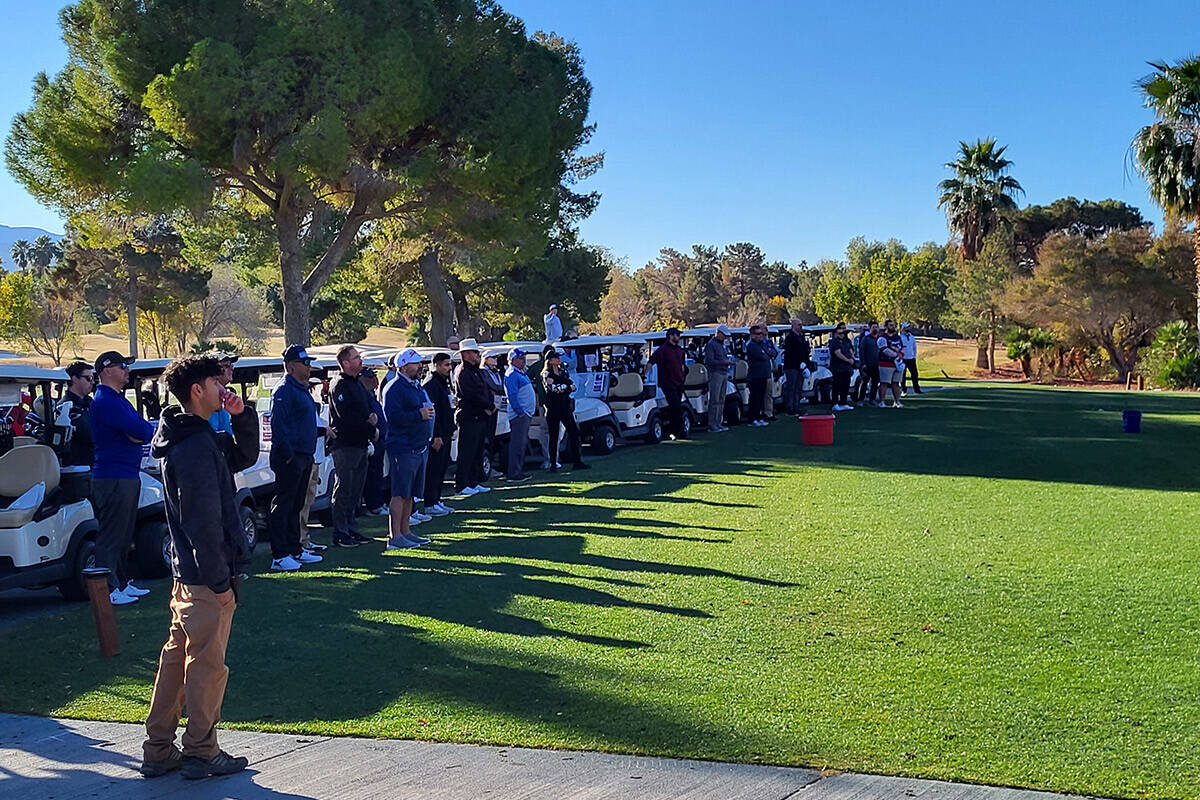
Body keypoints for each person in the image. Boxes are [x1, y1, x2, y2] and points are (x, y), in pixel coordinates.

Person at [140, 354, 259, 781]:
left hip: (188, 574)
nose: (223, 386)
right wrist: (219, 579)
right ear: (196, 390)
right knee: (207, 665)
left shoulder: (192, 434)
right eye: (216, 381)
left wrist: (242, 417)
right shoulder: (190, 445)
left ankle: (158, 749)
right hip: (203, 575)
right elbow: (202, 523)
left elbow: (241, 456)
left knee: (176, 659)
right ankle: (202, 751)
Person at [90, 351, 155, 606]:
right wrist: (137, 434)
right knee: (112, 534)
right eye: (123, 366)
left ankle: (121, 581)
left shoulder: (118, 400)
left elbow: (144, 430)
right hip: (113, 476)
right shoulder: (105, 401)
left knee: (125, 533)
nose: (127, 371)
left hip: (126, 473)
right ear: (107, 370)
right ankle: (108, 587)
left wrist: (137, 434)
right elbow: (138, 430)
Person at [267, 346, 328, 569]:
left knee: (296, 505)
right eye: (304, 362)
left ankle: (295, 548)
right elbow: (279, 426)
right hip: (290, 458)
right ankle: (279, 555)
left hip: (304, 455)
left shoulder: (301, 389)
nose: (308, 366)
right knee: (283, 505)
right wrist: (289, 455)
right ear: (292, 366)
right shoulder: (283, 390)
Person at [382, 349, 435, 550]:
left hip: (418, 446)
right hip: (402, 447)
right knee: (400, 492)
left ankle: (406, 531)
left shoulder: (415, 386)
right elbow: (393, 418)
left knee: (410, 493)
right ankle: (394, 536)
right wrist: (418, 415)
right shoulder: (394, 388)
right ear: (403, 366)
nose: (419, 366)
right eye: (415, 363)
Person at [328, 345, 378, 547]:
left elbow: (365, 410)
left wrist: (371, 420)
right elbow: (346, 418)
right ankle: (340, 531)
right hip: (345, 444)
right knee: (344, 489)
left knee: (356, 490)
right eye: (356, 358)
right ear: (345, 362)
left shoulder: (357, 383)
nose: (360, 361)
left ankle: (351, 528)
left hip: (360, 444)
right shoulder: (339, 385)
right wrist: (370, 427)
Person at [452, 339, 494, 496]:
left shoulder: (477, 371)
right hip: (469, 416)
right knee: (467, 452)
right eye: (475, 353)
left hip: (479, 416)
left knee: (477, 451)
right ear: (467, 354)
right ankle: (461, 484)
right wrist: (488, 406)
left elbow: (485, 390)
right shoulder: (463, 372)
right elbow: (471, 395)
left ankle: (473, 481)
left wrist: (490, 405)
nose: (478, 355)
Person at [542, 349, 588, 471]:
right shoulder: (547, 374)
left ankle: (577, 461)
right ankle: (553, 464)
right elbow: (554, 388)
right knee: (554, 436)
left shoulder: (563, 372)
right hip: (553, 408)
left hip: (565, 407)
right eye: (556, 357)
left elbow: (572, 386)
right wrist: (566, 387)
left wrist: (565, 387)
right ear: (550, 361)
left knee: (574, 432)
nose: (559, 359)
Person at [422, 353, 455, 516]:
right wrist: (436, 435)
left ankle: (437, 499)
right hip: (438, 434)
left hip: (446, 431)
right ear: (436, 365)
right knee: (433, 469)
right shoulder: (431, 384)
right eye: (446, 365)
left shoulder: (443, 382)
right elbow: (433, 413)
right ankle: (430, 502)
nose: (449, 368)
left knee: (441, 467)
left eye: (450, 365)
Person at [646, 327, 688, 439]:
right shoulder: (663, 350)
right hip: (668, 383)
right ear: (670, 336)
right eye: (677, 335)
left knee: (676, 407)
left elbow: (682, 366)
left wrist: (683, 377)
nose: (678, 337)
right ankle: (679, 432)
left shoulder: (679, 350)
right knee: (676, 407)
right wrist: (643, 374)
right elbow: (651, 361)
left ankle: (673, 430)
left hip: (679, 382)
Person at [360, 368, 389, 516]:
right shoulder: (363, 396)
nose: (373, 380)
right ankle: (373, 504)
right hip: (372, 440)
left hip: (380, 439)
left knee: (378, 472)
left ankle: (379, 502)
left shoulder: (371, 395)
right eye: (369, 377)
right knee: (372, 474)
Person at [504, 348, 535, 483]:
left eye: (523, 358)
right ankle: (514, 473)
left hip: (525, 414)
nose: (523, 361)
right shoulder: (511, 374)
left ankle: (518, 471)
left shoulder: (521, 373)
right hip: (519, 415)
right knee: (517, 444)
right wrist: (520, 412)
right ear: (512, 360)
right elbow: (512, 395)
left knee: (521, 444)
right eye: (520, 358)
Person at [60, 361, 96, 470]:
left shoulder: (90, 403)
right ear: (74, 379)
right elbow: (89, 434)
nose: (92, 382)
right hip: (79, 469)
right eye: (88, 378)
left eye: (93, 379)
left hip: (96, 465)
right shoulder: (65, 407)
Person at [703, 325, 733, 432]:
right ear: (718, 333)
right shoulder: (711, 345)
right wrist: (724, 362)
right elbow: (709, 361)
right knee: (714, 400)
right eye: (723, 335)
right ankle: (712, 424)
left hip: (723, 372)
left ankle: (718, 422)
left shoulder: (721, 345)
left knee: (721, 399)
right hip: (715, 373)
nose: (725, 338)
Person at [745, 326, 774, 427]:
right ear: (752, 335)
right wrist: (767, 354)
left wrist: (767, 353)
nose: (761, 336)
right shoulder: (751, 345)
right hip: (755, 375)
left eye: (761, 333)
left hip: (763, 375)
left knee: (761, 397)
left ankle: (759, 416)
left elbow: (771, 352)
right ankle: (752, 418)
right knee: (755, 398)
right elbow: (763, 356)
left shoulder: (761, 344)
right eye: (758, 334)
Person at [532, 346, 555, 469]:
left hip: (545, 404)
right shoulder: (558, 367)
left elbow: (527, 377)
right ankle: (554, 458)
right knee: (552, 431)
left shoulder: (537, 366)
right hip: (550, 404)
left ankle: (549, 459)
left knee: (546, 432)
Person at [482, 353, 504, 479]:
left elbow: (500, 387)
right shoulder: (484, 372)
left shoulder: (496, 372)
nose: (495, 360)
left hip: (496, 406)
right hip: (488, 408)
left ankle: (489, 465)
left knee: (491, 437)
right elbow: (494, 386)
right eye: (493, 358)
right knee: (486, 437)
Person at [781, 320, 811, 415]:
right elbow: (791, 353)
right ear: (793, 326)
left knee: (798, 387)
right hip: (792, 366)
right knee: (791, 388)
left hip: (801, 367)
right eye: (799, 325)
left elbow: (805, 351)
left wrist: (805, 363)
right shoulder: (790, 338)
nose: (801, 326)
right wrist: (799, 363)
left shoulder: (801, 337)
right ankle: (790, 408)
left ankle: (796, 406)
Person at [207, 353, 238, 435]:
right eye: (226, 366)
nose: (232, 368)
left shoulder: (224, 397)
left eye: (231, 365)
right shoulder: (209, 400)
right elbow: (212, 435)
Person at [877, 320, 905, 408]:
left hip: (897, 364)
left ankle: (897, 401)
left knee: (896, 383)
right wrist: (896, 355)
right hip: (886, 363)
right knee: (884, 383)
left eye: (893, 325)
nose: (893, 327)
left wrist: (900, 355)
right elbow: (884, 350)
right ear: (886, 327)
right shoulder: (882, 338)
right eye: (890, 325)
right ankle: (882, 402)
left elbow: (901, 347)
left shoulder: (897, 337)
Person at [829, 323, 856, 411]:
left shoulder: (846, 341)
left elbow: (851, 350)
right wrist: (848, 360)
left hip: (846, 368)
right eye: (840, 333)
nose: (842, 335)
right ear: (836, 334)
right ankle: (835, 403)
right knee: (836, 386)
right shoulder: (834, 342)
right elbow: (838, 353)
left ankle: (843, 402)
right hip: (837, 368)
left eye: (843, 333)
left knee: (846, 385)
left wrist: (852, 358)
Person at [854, 323, 880, 402]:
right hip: (867, 364)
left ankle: (872, 399)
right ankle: (860, 399)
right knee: (864, 381)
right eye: (873, 327)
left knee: (875, 383)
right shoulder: (866, 339)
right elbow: (862, 351)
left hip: (877, 364)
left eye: (876, 327)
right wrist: (863, 363)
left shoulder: (880, 339)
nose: (875, 329)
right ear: (870, 329)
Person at [899, 322, 922, 395]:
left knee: (914, 374)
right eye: (907, 327)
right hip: (903, 358)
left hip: (911, 358)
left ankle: (917, 389)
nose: (909, 328)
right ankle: (903, 390)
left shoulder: (912, 337)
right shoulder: (900, 337)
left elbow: (914, 347)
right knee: (903, 375)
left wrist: (914, 356)